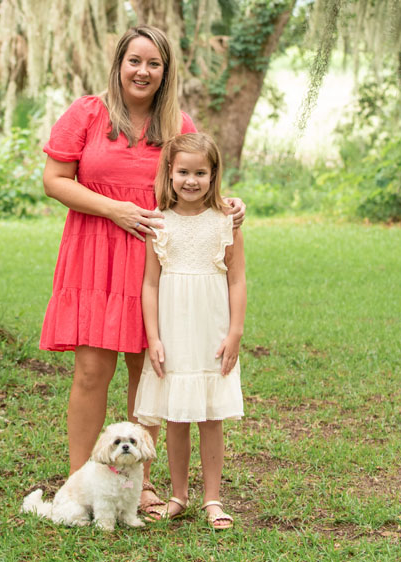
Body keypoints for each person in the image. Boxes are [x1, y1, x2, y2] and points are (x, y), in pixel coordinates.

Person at [39, 25, 246, 519]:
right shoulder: (88, 113)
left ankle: (141, 485)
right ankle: (80, 484)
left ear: (165, 72)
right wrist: (115, 210)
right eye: (135, 60)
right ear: (119, 63)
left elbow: (197, 183)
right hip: (94, 252)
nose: (143, 71)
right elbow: (53, 180)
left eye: (154, 64)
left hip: (157, 262)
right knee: (92, 370)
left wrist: (230, 204)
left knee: (147, 369)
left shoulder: (177, 122)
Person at [134, 133, 247, 530]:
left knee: (210, 417)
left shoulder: (225, 222)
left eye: (201, 172)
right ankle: (179, 495)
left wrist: (235, 333)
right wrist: (153, 337)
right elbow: (150, 283)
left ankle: (212, 498)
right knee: (176, 417)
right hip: (173, 331)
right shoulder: (158, 221)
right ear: (170, 172)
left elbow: (237, 280)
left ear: (214, 174)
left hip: (210, 330)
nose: (191, 180)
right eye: (183, 171)